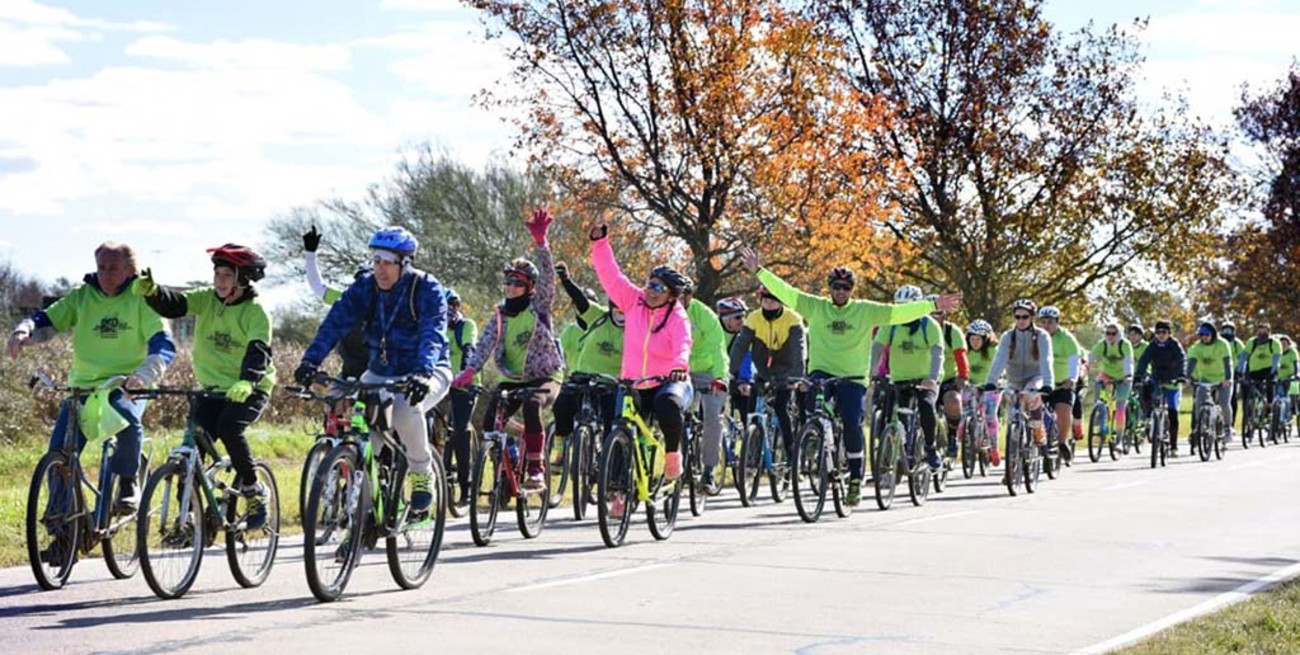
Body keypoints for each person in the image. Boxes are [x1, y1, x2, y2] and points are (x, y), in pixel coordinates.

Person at [739, 245, 961, 506]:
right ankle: (812, 438)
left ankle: (855, 479)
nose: (840, 292)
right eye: (836, 286)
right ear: (830, 287)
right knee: (810, 401)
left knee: (852, 423)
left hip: (853, 377)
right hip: (822, 371)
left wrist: (932, 304)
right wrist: (759, 272)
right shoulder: (815, 306)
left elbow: (899, 312)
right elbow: (785, 291)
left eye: (845, 288)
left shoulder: (865, 310)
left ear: (851, 290)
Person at [8, 242, 176, 518]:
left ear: (131, 270)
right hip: (84, 387)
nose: (106, 274)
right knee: (60, 454)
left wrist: (143, 376)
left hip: (127, 386)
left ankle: (126, 482)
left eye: (113, 268)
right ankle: (61, 529)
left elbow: (164, 345)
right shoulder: (82, 295)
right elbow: (48, 319)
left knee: (125, 416)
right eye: (101, 267)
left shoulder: (143, 298)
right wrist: (24, 331)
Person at [295, 226, 453, 514]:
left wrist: (422, 372)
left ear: (404, 264)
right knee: (364, 434)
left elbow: (433, 333)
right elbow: (335, 323)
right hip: (381, 370)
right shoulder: (366, 286)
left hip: (427, 369)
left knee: (405, 409)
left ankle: (421, 472)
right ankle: (362, 519)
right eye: (375, 261)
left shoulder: (426, 288)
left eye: (387, 263)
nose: (380, 269)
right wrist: (310, 361)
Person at [136, 244, 275, 528]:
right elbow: (175, 304)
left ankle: (253, 490)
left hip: (250, 386)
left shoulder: (255, 312)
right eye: (217, 274)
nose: (219, 281)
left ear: (243, 280)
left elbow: (258, 351)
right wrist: (154, 292)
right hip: (211, 387)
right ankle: (188, 520)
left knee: (228, 427)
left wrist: (247, 380)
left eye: (227, 275)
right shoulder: (206, 299)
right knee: (190, 452)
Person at [452, 210, 565, 491]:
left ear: (529, 288)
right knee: (491, 420)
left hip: (546, 375)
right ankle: (515, 448)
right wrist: (469, 371)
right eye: (508, 282)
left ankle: (536, 468)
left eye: (517, 283)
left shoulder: (537, 309)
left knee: (531, 405)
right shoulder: (500, 315)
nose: (511, 287)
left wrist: (542, 243)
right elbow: (484, 345)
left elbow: (550, 279)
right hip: (514, 377)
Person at [588, 222, 692, 490]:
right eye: (650, 284)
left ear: (670, 295)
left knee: (668, 404)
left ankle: (672, 454)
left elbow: (683, 342)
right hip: (634, 381)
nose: (651, 290)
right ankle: (618, 491)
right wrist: (599, 244)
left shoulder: (676, 316)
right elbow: (611, 276)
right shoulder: (633, 301)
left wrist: (680, 366)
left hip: (668, 379)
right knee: (620, 428)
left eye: (659, 287)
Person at [551, 259, 625, 462]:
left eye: (624, 312)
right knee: (561, 406)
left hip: (612, 383)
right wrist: (566, 279)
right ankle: (563, 452)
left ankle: (611, 470)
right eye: (617, 311)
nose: (621, 316)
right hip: (583, 376)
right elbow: (579, 299)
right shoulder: (598, 317)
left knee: (613, 425)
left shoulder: (634, 329)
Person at [728, 285, 806, 468]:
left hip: (787, 371)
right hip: (762, 368)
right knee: (753, 410)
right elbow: (740, 345)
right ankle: (752, 455)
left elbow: (799, 349)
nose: (768, 305)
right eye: (765, 301)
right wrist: (730, 371)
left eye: (772, 301)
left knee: (780, 407)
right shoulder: (754, 318)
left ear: (780, 302)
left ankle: (791, 454)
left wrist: (796, 376)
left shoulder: (793, 319)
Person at [869, 286, 945, 470]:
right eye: (900, 307)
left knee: (926, 406)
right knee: (895, 416)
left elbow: (938, 353)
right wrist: (870, 372)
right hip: (900, 378)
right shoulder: (891, 324)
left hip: (926, 378)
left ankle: (930, 447)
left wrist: (932, 379)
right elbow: (878, 346)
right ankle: (893, 458)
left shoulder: (930, 325)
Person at [983, 299, 1054, 473]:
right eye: (1017, 316)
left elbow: (1046, 360)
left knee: (1031, 396)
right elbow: (999, 359)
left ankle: (1039, 434)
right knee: (1013, 420)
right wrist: (991, 381)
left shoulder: (1042, 336)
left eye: (1025, 316)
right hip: (1014, 379)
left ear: (1032, 318)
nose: (1021, 320)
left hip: (1035, 376)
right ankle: (1011, 468)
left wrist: (1047, 383)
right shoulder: (1008, 336)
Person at [302, 226, 369, 379]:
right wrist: (310, 254)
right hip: (350, 373)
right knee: (335, 400)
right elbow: (317, 285)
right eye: (360, 281)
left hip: (382, 374)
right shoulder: (345, 299)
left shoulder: (391, 303)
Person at [681, 283, 729, 493]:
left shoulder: (704, 315)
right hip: (681, 371)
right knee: (673, 414)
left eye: (681, 295)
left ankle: (709, 470)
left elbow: (718, 347)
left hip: (709, 371)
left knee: (712, 418)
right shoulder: (664, 312)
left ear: (689, 296)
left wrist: (720, 377)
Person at [443, 289, 479, 504]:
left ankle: (466, 485)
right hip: (440, 384)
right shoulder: (436, 327)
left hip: (465, 384)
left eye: (453, 305)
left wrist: (464, 372)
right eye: (446, 305)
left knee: (459, 430)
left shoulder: (466, 326)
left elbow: (469, 349)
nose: (449, 310)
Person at [1135, 320, 1187, 455]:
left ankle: (1174, 446)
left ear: (1169, 333)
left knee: (1173, 413)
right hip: (1157, 378)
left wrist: (1182, 375)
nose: (1161, 335)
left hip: (1173, 380)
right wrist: (1139, 374)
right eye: (1158, 332)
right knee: (1146, 388)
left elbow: (1182, 360)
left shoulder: (1174, 345)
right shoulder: (1153, 345)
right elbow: (1144, 360)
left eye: (1164, 332)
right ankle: (1148, 416)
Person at [1038, 306, 1081, 460]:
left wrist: (1072, 378)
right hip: (1041, 383)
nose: (1046, 325)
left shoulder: (1067, 339)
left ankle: (1062, 442)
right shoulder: (1036, 337)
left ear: (1057, 322)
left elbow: (1074, 361)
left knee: (1063, 411)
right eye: (1043, 322)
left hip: (1062, 384)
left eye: (1050, 322)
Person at [928, 294, 968, 459]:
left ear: (944, 315)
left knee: (953, 400)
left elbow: (961, 356)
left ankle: (952, 436)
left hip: (947, 378)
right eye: (931, 314)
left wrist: (963, 376)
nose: (934, 318)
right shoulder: (921, 328)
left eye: (937, 313)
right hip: (925, 377)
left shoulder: (952, 332)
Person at [1185, 321, 1233, 449]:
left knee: (1223, 403)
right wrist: (1188, 377)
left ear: (1213, 334)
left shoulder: (1222, 344)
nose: (1204, 337)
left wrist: (1228, 378)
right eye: (1201, 335)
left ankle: (1227, 428)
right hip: (1205, 379)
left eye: (1206, 334)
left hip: (1222, 378)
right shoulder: (1197, 347)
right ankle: (1200, 426)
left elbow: (1227, 362)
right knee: (1199, 401)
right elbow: (1191, 362)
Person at [1087, 322, 1135, 443]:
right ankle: (1098, 410)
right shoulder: (1102, 344)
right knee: (1097, 383)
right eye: (1107, 333)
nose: (1110, 336)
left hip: (1123, 376)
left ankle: (1119, 439)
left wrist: (1128, 376)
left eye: (1113, 333)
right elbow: (1091, 357)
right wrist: (1084, 367)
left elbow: (1128, 362)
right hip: (1107, 374)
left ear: (1119, 334)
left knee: (1120, 408)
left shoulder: (1125, 345)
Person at [965, 319, 1001, 465]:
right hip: (971, 385)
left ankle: (994, 448)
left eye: (978, 339)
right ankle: (964, 439)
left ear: (985, 339)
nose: (974, 342)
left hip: (990, 387)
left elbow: (1000, 366)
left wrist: (997, 381)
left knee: (990, 417)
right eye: (972, 339)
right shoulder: (966, 351)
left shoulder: (993, 351)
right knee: (964, 410)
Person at [1238, 321, 1281, 434]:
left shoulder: (1275, 343)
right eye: (1259, 329)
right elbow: (1243, 357)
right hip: (1254, 370)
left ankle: (1269, 408)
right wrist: (1240, 370)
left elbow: (1276, 359)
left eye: (1265, 329)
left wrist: (1272, 372)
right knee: (1248, 394)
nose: (1262, 332)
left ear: (1269, 331)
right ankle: (1249, 421)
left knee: (1270, 385)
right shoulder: (1252, 342)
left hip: (1269, 370)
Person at [1220, 321, 1246, 433]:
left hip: (1233, 373)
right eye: (1225, 329)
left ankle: (1231, 423)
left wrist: (1241, 371)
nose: (1227, 332)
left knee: (1232, 398)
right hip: (1218, 371)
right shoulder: (1218, 342)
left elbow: (1242, 359)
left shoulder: (1237, 344)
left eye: (1229, 330)